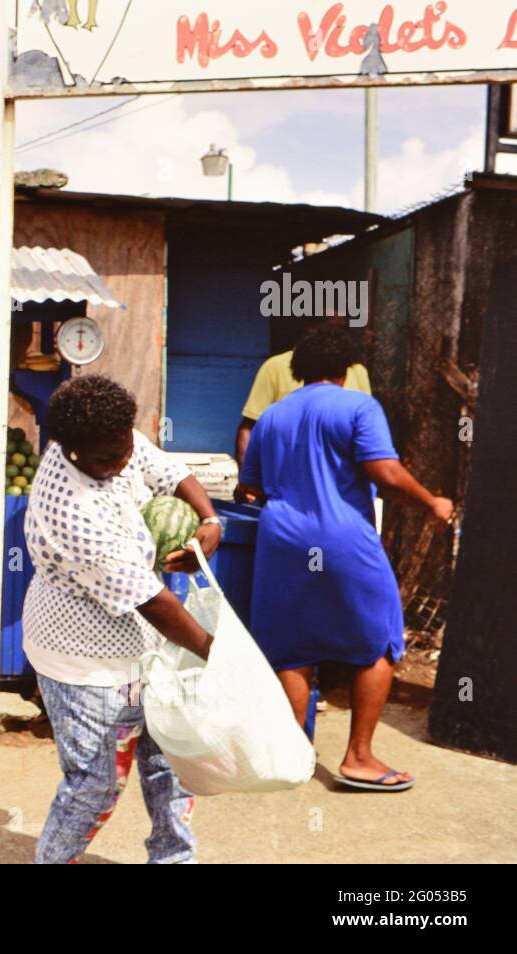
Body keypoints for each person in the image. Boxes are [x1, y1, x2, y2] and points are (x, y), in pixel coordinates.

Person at [238, 325, 453, 792]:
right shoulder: (358, 406)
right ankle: (358, 758)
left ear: (297, 372)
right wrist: (432, 502)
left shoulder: (271, 417)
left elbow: (249, 484)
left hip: (281, 541)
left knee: (289, 649)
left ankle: (291, 755)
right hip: (341, 537)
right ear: (346, 370)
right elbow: (386, 474)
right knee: (381, 639)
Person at [23, 374, 222, 864]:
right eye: (106, 460)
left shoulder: (114, 437)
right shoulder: (70, 508)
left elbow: (166, 470)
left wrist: (210, 520)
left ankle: (174, 859)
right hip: (84, 662)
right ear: (69, 450)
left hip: (145, 647)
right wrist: (218, 654)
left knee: (173, 762)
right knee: (95, 785)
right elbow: (152, 600)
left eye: (124, 449)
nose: (122, 464)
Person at [235, 333, 372, 470]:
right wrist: (247, 478)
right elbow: (250, 427)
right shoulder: (276, 369)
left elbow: (367, 437)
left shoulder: (356, 372)